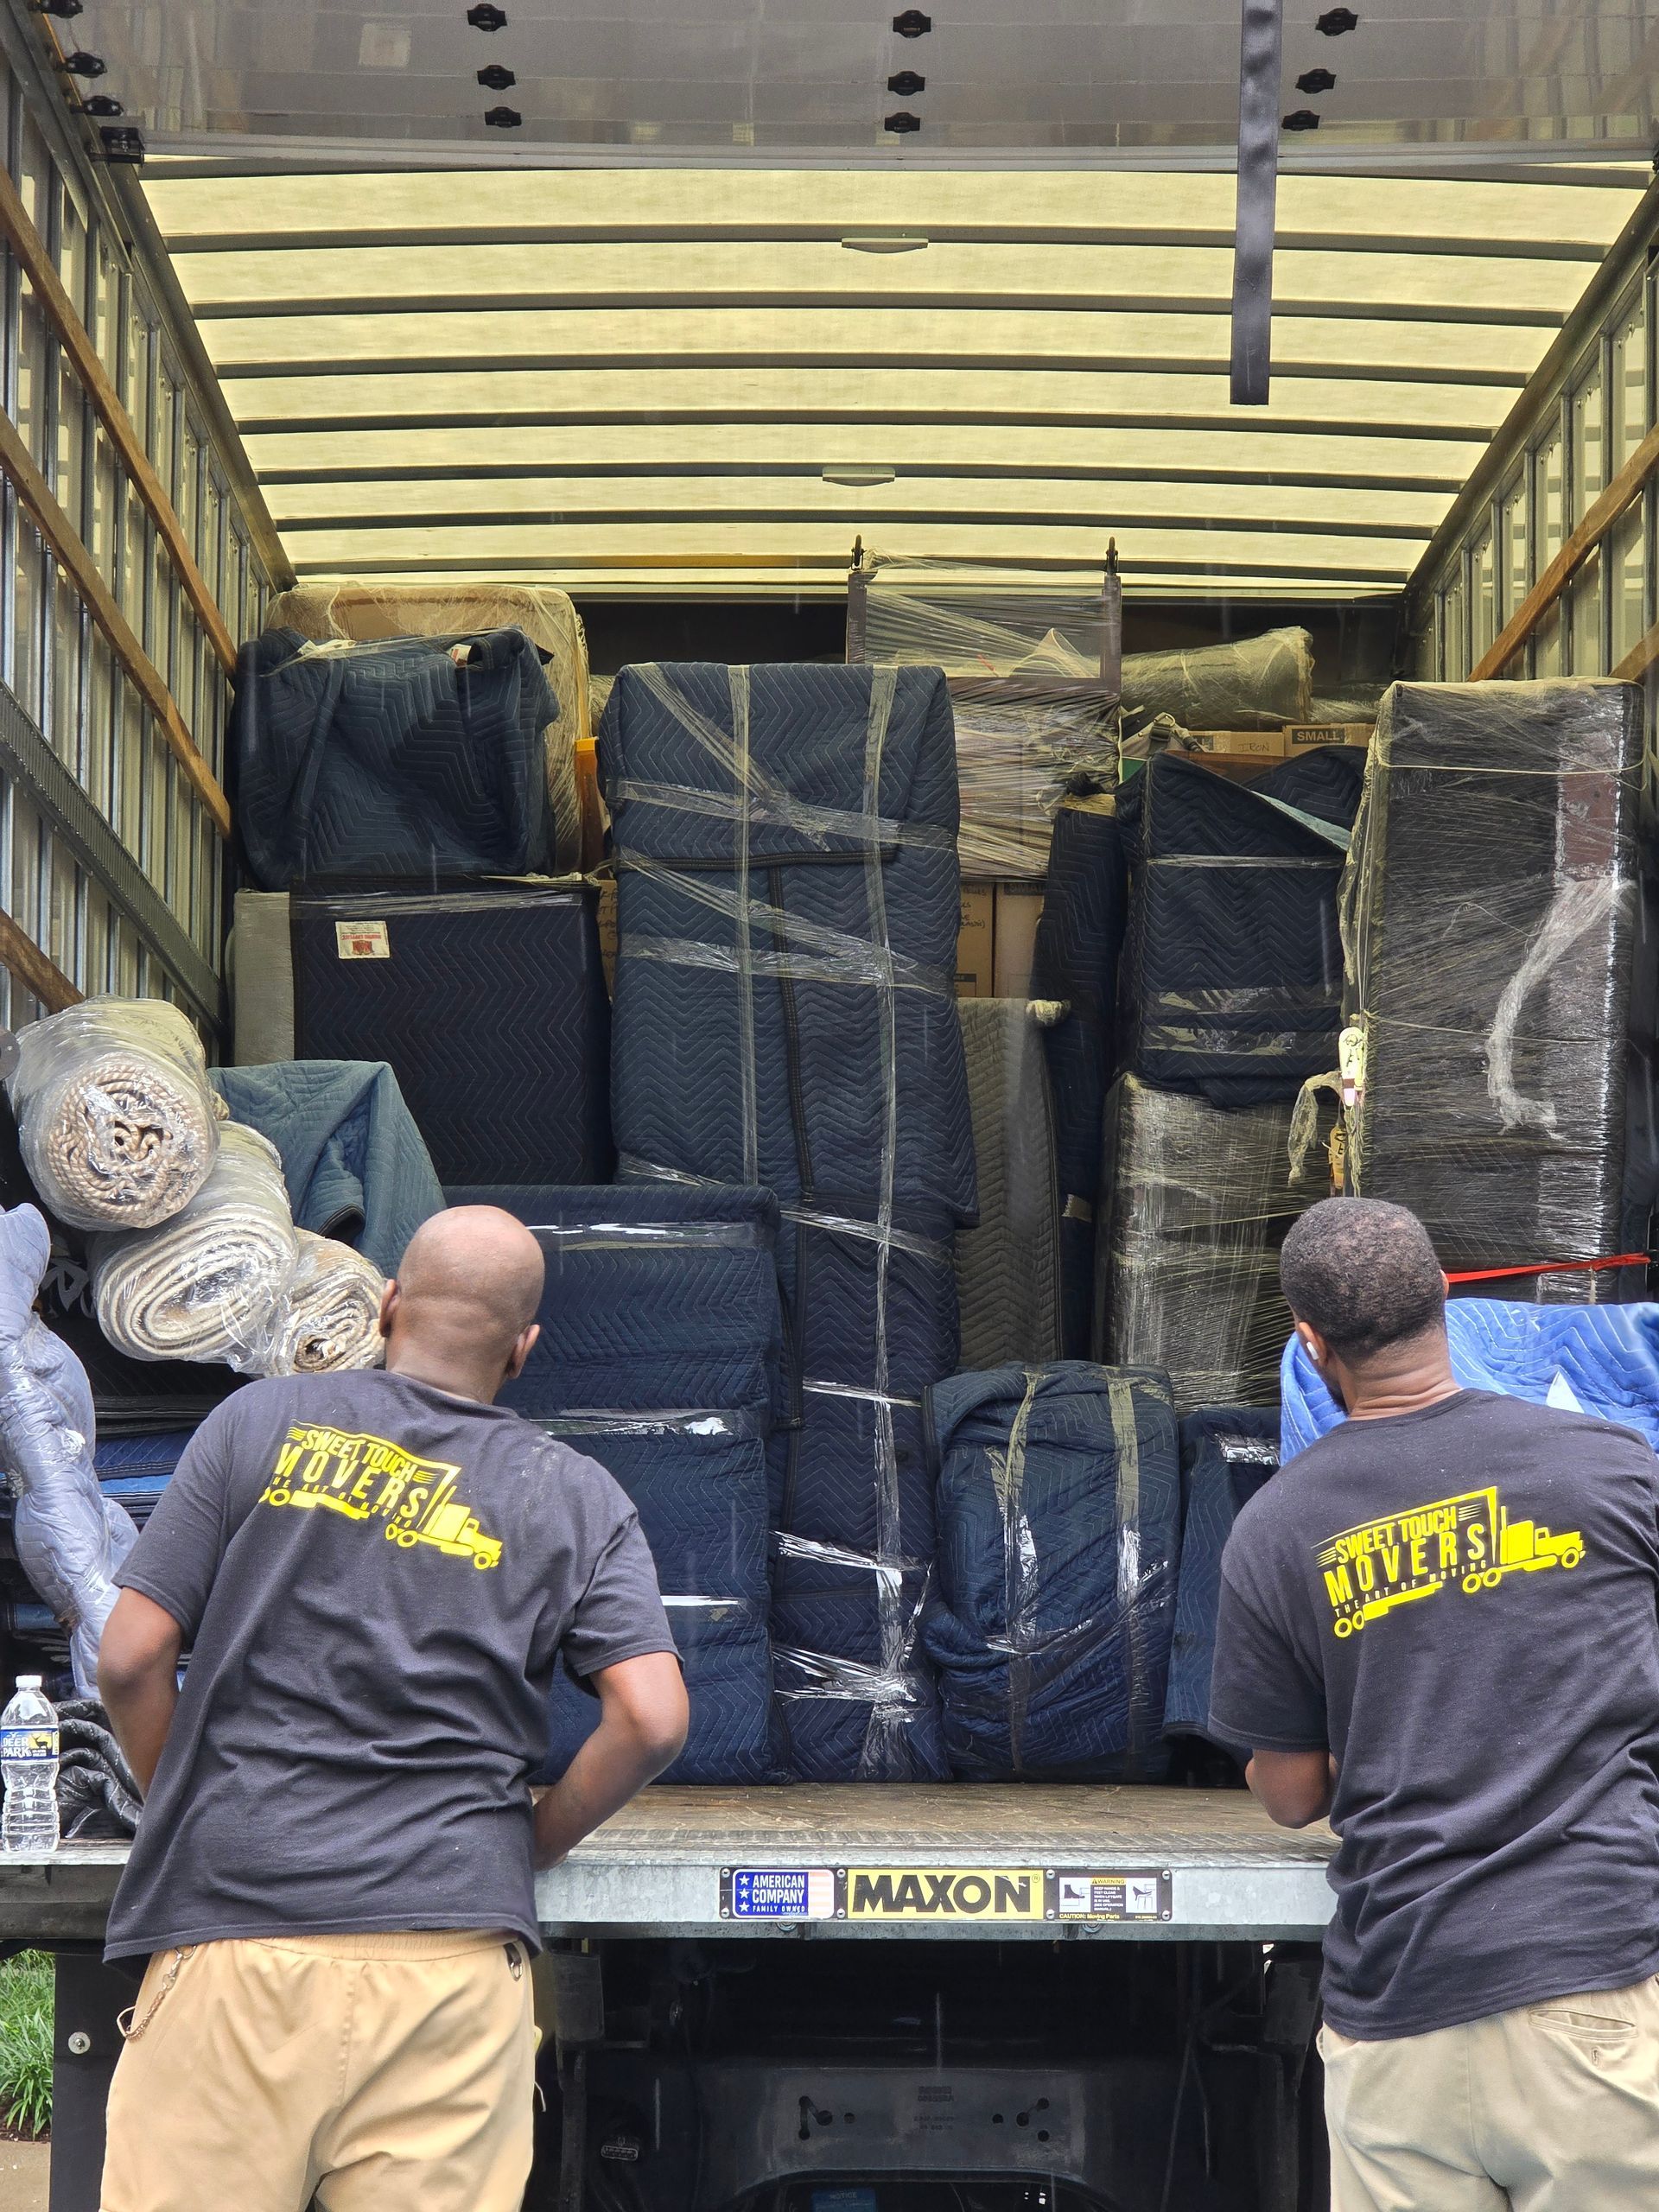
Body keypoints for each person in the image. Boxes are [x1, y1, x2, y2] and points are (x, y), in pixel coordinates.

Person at [95, 1205, 689, 2212]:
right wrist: (530, 1838)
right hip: (451, 1968)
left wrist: (181, 1801)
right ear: (525, 1349)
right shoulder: (577, 1496)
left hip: (240, 1945)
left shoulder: (259, 1421)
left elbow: (131, 1656)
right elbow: (654, 1716)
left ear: (388, 1304)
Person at [1211, 1195, 1659, 2212]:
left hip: (1400, 2013)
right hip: (1589, 1992)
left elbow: (1289, 1796)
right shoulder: (1614, 1469)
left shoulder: (1276, 1530)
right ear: (1447, 1297)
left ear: (1310, 1341)